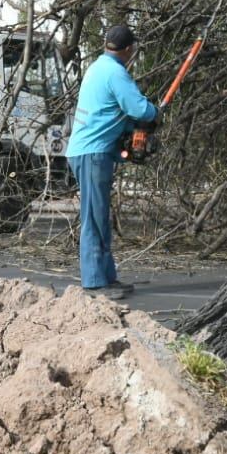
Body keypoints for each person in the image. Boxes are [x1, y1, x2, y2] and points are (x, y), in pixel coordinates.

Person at [65, 24, 157, 299]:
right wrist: (155, 113)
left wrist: (133, 131)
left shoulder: (97, 67)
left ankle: (106, 277)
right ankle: (94, 283)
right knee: (94, 217)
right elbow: (139, 108)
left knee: (100, 216)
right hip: (92, 152)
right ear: (129, 49)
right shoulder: (116, 73)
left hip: (92, 151)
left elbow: (112, 111)